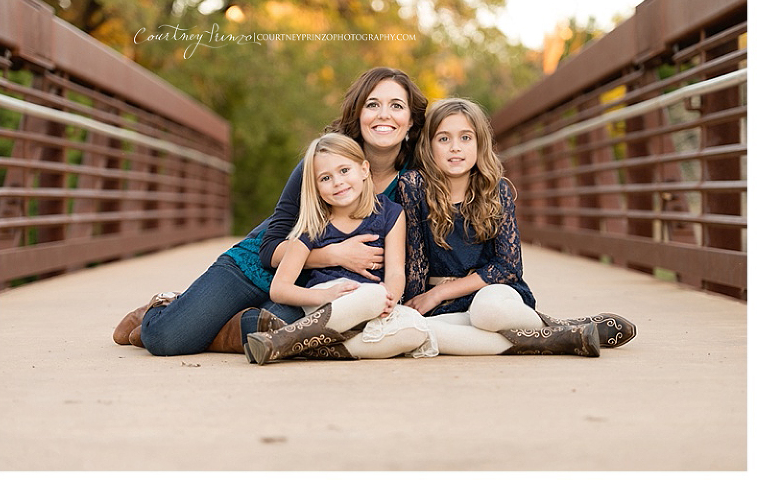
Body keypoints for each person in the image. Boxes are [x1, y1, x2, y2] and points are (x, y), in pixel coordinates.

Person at [112, 67, 428, 358]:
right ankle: (167, 307)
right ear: (358, 113)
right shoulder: (323, 162)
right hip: (259, 269)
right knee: (170, 339)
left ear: (411, 120)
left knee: (278, 330)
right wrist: (335, 255)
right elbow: (269, 248)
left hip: (312, 290)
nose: (383, 115)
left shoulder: (413, 182)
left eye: (396, 106)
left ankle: (216, 323)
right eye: (372, 104)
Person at [398, 98, 637, 356]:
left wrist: (441, 292)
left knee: (486, 314)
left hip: (491, 295)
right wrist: (421, 301)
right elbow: (416, 259)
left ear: (480, 144)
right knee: (416, 330)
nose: (455, 147)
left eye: (466, 138)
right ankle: (563, 336)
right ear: (429, 146)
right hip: (442, 307)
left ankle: (554, 328)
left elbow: (508, 267)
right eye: (444, 139)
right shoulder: (414, 187)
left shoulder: (495, 190)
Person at [245, 133, 435, 365]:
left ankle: (292, 344)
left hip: (373, 303)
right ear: (315, 187)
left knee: (415, 330)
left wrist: (391, 297)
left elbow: (396, 271)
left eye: (344, 171)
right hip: (327, 300)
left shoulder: (392, 213)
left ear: (364, 169)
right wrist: (323, 295)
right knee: (373, 296)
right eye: (325, 178)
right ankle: (291, 338)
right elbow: (279, 289)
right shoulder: (312, 224)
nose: (338, 182)